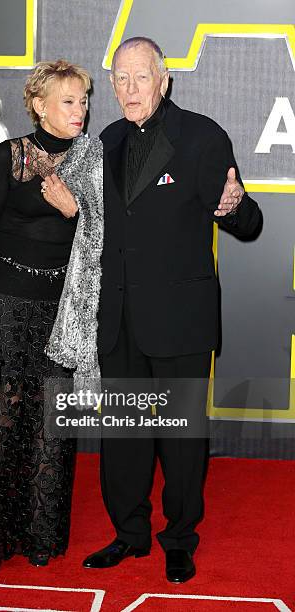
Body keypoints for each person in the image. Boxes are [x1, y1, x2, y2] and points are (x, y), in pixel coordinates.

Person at [81, 37, 262, 582]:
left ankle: (179, 538)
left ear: (164, 81)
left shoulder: (202, 137)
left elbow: (247, 220)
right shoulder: (106, 140)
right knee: (125, 437)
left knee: (183, 440)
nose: (129, 88)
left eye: (141, 77)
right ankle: (130, 534)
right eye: (119, 78)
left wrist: (234, 208)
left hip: (180, 321)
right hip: (120, 321)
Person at [0, 59, 103, 574]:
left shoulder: (92, 162)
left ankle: (41, 537)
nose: (80, 110)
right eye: (69, 101)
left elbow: (109, 233)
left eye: (84, 100)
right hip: (6, 305)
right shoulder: (9, 157)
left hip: (62, 314)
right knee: (0, 417)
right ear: (40, 106)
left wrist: (76, 210)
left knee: (50, 426)